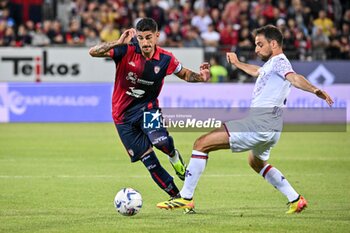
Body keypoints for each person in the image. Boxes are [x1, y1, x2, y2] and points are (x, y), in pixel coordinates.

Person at [157, 25, 334, 213]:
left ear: (273, 43)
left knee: (201, 144)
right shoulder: (272, 65)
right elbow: (257, 71)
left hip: (259, 124)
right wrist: (238, 63)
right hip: (272, 128)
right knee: (255, 162)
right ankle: (295, 199)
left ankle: (185, 197)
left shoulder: (281, 62)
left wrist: (315, 89)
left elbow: (295, 78)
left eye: (260, 44)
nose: (256, 49)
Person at [89, 18, 210, 198]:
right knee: (150, 162)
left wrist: (201, 77)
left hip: (148, 109)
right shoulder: (126, 50)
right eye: (141, 38)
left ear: (156, 36)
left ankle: (174, 158)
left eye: (148, 37)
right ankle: (178, 198)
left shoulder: (165, 58)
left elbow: (184, 73)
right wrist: (118, 42)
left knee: (161, 143)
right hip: (122, 118)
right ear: (136, 38)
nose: (145, 42)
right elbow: (93, 52)